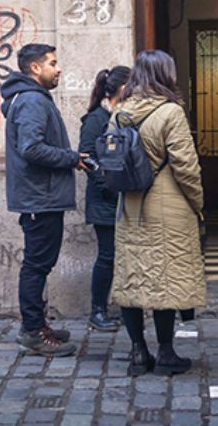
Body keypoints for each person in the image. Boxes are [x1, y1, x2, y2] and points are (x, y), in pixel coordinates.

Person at [110, 49, 206, 376]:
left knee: (132, 279)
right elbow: (186, 167)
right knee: (165, 282)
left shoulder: (119, 111)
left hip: (129, 207)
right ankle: (166, 352)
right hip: (168, 207)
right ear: (167, 74)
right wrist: (198, 203)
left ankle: (138, 352)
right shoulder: (171, 112)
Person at [0, 43, 89, 357]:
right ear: (34, 68)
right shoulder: (33, 101)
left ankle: (36, 326)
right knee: (36, 266)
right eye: (52, 63)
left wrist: (71, 159)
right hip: (40, 197)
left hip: (40, 196)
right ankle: (33, 332)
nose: (58, 68)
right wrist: (70, 157)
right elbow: (31, 148)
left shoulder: (29, 99)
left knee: (39, 264)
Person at [78, 65, 132, 332]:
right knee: (108, 256)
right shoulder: (96, 119)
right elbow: (86, 158)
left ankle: (124, 307)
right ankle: (97, 310)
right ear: (121, 89)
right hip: (104, 200)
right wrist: (109, 185)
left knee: (123, 256)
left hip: (124, 200)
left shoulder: (124, 117)